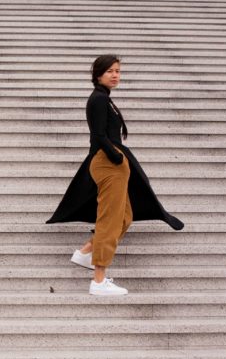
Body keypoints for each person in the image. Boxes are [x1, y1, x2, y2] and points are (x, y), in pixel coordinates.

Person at [46, 54, 184, 296]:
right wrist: (117, 157)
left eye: (118, 71)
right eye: (110, 71)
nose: (115, 75)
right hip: (109, 163)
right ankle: (98, 281)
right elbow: (98, 136)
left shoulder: (104, 98)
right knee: (110, 220)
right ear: (98, 74)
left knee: (124, 217)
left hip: (111, 162)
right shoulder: (98, 99)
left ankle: (87, 252)